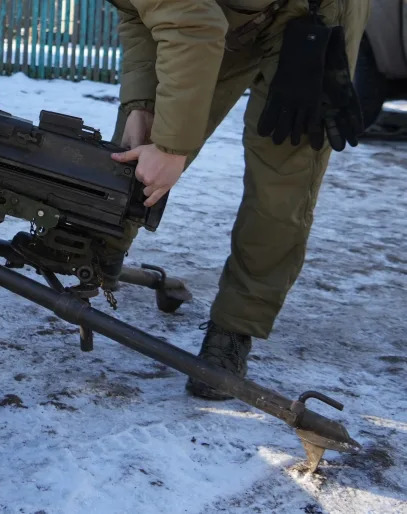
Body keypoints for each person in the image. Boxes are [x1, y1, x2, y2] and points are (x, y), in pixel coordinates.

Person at [102, 0, 369, 399]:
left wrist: (173, 147)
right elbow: (138, 13)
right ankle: (100, 252)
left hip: (314, 10)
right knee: (139, 141)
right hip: (218, 12)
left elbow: (192, 27)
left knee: (282, 184)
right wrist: (141, 103)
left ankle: (234, 328)